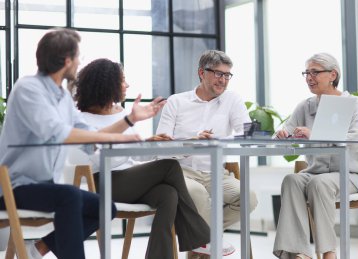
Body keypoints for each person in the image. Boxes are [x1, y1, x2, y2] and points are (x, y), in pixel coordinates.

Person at [0, 28, 167, 259]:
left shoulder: (62, 97)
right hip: (15, 186)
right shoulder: (29, 88)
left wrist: (129, 120)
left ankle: (36, 250)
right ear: (67, 61)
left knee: (106, 207)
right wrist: (117, 137)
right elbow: (56, 132)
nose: (79, 63)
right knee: (70, 196)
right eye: (78, 57)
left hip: (44, 185)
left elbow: (90, 135)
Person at [73, 58, 217, 258]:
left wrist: (149, 142)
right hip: (101, 183)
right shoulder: (81, 119)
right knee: (170, 166)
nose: (127, 85)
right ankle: (201, 239)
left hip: (128, 181)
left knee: (168, 194)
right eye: (122, 80)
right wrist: (126, 142)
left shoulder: (120, 112)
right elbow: (95, 160)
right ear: (107, 84)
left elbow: (132, 155)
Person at [156, 49, 258, 254]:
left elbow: (246, 134)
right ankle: (207, 239)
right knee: (198, 193)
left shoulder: (232, 100)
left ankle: (202, 236)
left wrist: (218, 139)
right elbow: (161, 146)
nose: (223, 80)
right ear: (202, 73)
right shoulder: (177, 102)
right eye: (218, 74)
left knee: (248, 197)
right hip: (180, 172)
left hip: (216, 174)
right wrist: (191, 142)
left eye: (227, 75)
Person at [272, 53, 358, 259]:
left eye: (315, 72)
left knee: (320, 184)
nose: (309, 77)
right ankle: (298, 252)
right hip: (315, 172)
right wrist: (281, 135)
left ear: (333, 74)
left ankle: (328, 252)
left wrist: (313, 135)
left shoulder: (354, 104)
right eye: (306, 73)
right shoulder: (305, 106)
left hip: (349, 175)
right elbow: (284, 132)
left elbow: (355, 139)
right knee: (292, 180)